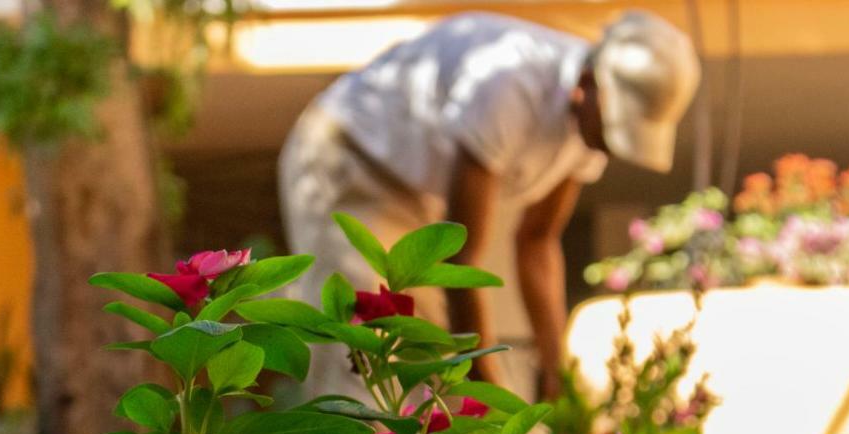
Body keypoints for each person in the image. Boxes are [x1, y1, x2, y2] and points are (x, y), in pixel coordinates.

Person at [279, 10, 700, 402]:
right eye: (612, 128)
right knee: (363, 351)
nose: (609, 146)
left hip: (411, 191)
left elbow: (537, 242)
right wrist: (487, 389)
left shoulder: (586, 133)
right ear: (588, 83)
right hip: (347, 155)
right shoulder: (509, 83)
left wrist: (556, 370)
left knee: (419, 356)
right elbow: (461, 258)